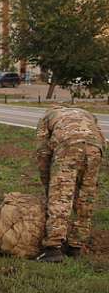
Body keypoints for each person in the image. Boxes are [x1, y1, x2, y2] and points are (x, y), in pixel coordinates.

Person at [34, 105, 105, 262]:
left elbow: (43, 153)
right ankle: (75, 246)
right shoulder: (87, 113)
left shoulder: (47, 117)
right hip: (95, 148)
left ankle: (53, 248)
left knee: (61, 196)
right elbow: (98, 134)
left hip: (69, 145)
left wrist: (49, 184)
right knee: (86, 197)